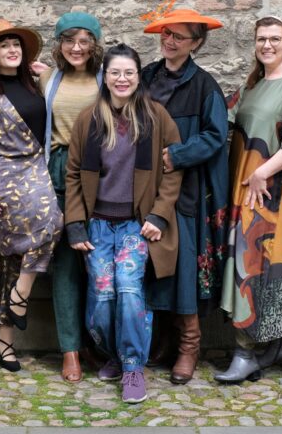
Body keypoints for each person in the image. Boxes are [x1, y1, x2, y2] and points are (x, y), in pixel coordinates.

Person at [65, 43, 182, 403]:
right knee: (102, 296)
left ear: (137, 76)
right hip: (98, 225)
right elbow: (73, 174)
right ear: (105, 77)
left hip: (136, 224)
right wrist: (76, 222)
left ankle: (133, 367)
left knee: (130, 292)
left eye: (129, 72)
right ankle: (113, 354)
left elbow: (172, 170)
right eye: (115, 72)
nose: (122, 79)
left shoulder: (155, 117)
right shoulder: (89, 119)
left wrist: (159, 214)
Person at [0, 18, 62, 373]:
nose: (12, 49)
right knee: (45, 228)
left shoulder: (38, 86)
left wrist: (50, 73)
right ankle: (17, 304)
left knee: (32, 244)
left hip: (36, 168)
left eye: (16, 44)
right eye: (4, 45)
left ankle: (4, 336)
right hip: (1, 175)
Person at [215, 16, 282, 383]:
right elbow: (223, 119)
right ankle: (281, 344)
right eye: (261, 39)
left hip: (274, 190)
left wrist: (261, 173)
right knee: (251, 261)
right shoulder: (251, 86)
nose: (267, 45)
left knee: (255, 264)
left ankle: (246, 352)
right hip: (247, 185)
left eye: (274, 39)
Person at [141, 7, 229, 385]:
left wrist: (176, 154)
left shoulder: (205, 86)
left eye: (178, 36)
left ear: (196, 43)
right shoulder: (146, 77)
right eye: (166, 33)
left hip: (186, 191)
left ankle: (189, 346)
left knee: (183, 267)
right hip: (144, 188)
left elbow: (215, 135)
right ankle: (162, 339)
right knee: (152, 264)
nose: (169, 40)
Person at [39, 11, 104, 383]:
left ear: (94, 44)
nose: (76, 48)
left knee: (99, 260)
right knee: (64, 264)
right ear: (59, 44)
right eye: (69, 41)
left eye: (84, 41)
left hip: (101, 174)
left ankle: (98, 343)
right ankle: (70, 350)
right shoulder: (48, 78)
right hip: (59, 171)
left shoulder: (106, 79)